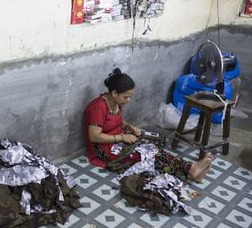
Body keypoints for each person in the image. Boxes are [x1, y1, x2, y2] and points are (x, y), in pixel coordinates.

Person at [83, 68, 213, 182]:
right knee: (144, 156)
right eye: (126, 97)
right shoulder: (98, 107)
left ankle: (190, 170)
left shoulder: (116, 103)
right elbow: (94, 136)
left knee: (152, 148)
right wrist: (122, 138)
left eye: (130, 97)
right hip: (102, 149)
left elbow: (113, 121)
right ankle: (190, 170)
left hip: (117, 140)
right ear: (114, 93)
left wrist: (128, 126)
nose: (129, 100)